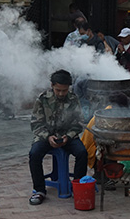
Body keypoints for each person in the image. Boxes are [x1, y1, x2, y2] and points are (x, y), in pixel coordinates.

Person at [29, 70, 87, 205]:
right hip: (46, 137)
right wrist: (48, 137)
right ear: (52, 86)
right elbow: (36, 124)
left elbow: (78, 123)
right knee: (34, 154)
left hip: (68, 137)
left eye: (64, 90)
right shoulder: (42, 99)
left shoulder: (73, 99)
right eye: (58, 90)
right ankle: (39, 190)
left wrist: (69, 136)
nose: (61, 93)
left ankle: (78, 185)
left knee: (82, 152)